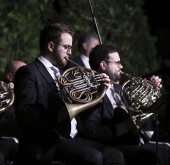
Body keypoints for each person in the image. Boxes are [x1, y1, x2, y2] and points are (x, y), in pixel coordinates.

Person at [14, 23, 126, 165]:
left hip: (72, 137)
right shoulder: (29, 71)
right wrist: (57, 116)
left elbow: (79, 100)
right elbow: (23, 111)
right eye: (66, 47)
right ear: (51, 46)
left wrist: (98, 88)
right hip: (47, 141)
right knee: (93, 157)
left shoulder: (61, 74)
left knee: (115, 155)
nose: (70, 53)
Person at [79, 44, 170, 165]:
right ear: (103, 65)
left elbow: (141, 114)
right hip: (115, 146)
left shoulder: (120, 88)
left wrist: (152, 91)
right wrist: (122, 129)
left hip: (137, 141)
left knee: (165, 149)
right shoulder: (91, 93)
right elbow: (92, 131)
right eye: (117, 63)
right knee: (157, 154)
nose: (121, 66)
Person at [0, 60, 26, 165]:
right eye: (24, 74)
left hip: (20, 140)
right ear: (10, 77)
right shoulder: (3, 91)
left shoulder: (27, 92)